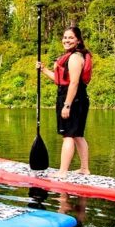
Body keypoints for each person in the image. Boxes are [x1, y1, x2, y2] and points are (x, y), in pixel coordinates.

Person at [36, 25, 92, 176]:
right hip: (78, 98)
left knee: (68, 136)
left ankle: (62, 172)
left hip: (72, 99)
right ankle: (84, 169)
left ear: (78, 40)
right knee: (78, 135)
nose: (66, 40)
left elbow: (73, 83)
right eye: (65, 37)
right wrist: (44, 70)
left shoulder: (74, 58)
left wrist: (67, 105)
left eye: (71, 38)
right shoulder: (75, 56)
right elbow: (60, 80)